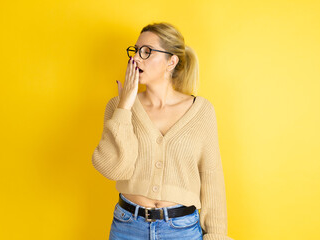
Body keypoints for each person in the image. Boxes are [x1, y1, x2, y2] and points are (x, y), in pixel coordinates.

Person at [92, 22, 233, 240]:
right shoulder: (118, 107)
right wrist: (125, 107)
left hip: (182, 230)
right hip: (127, 227)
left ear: (171, 61)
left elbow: (212, 177)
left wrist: (216, 235)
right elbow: (114, 170)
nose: (136, 58)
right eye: (135, 51)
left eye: (146, 52)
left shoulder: (202, 111)